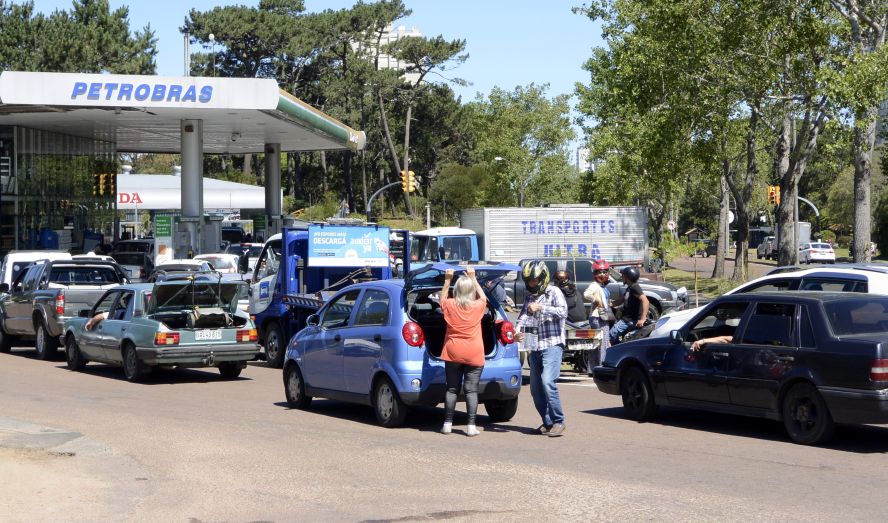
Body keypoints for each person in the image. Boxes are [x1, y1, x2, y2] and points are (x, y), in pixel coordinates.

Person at [515, 260, 568, 437]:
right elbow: (522, 317)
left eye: (534, 280)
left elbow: (563, 312)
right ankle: (547, 422)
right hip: (534, 346)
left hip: (552, 344)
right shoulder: (530, 296)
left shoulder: (554, 292)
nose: (532, 284)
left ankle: (559, 421)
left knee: (547, 381)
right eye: (529, 280)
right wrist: (517, 332)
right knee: (535, 388)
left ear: (543, 278)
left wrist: (542, 308)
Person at [439, 266, 487, 437]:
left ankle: (447, 424)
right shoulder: (478, 306)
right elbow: (484, 297)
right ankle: (471, 426)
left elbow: (442, 298)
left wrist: (447, 280)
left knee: (451, 389)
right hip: (474, 352)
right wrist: (474, 279)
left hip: (453, 351)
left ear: (457, 290)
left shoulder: (450, 305)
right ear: (471, 290)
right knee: (471, 390)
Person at [584, 259, 612, 373]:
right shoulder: (594, 285)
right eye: (599, 272)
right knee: (603, 342)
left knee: (598, 342)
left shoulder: (602, 286)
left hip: (601, 315)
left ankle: (594, 368)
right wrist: (595, 300)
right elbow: (586, 294)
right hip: (598, 317)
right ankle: (602, 367)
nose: (602, 274)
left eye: (604, 271)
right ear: (594, 274)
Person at [609, 266, 649, 345]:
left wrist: (642, 319)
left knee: (610, 336)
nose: (622, 277)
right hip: (627, 319)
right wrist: (609, 304)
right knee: (619, 339)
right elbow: (621, 300)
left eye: (623, 276)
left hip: (629, 320)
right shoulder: (629, 288)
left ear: (628, 277)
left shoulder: (635, 288)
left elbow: (645, 301)